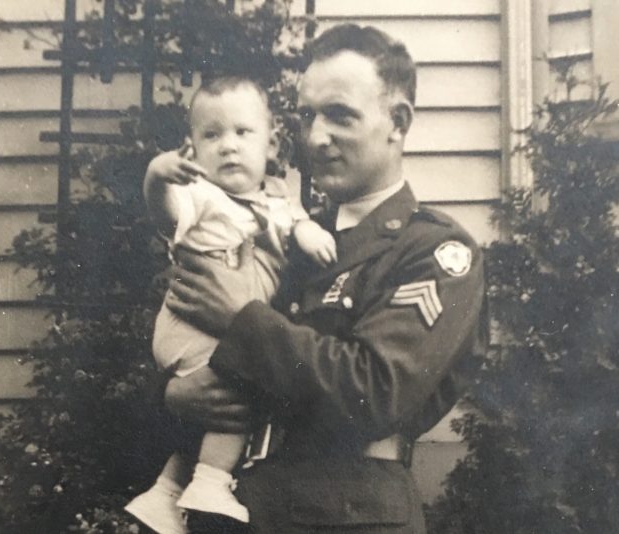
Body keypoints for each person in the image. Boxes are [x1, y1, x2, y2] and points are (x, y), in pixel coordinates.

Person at [164, 24, 487, 534]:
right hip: (240, 512)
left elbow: (375, 393)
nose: (315, 137)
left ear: (398, 122)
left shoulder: (432, 251)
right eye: (307, 116)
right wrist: (173, 395)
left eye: (339, 115)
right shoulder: (283, 233)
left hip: (349, 516)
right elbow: (187, 338)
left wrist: (242, 318)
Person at [125, 74, 336, 534]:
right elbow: (165, 213)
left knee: (216, 401)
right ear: (192, 151)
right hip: (193, 324)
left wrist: (308, 232)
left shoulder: (277, 196)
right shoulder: (201, 196)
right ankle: (211, 482)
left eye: (243, 132)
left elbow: (295, 221)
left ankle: (166, 492)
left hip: (225, 325)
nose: (229, 146)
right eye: (212, 135)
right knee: (243, 383)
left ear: (270, 144)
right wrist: (157, 176)